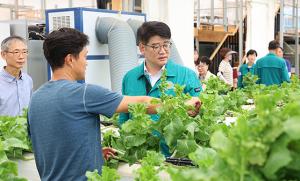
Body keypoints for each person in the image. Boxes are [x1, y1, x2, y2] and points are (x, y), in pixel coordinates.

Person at [27, 27, 200, 180]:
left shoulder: (36, 98)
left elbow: (56, 141)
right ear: (70, 60)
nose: (86, 62)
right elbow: (142, 103)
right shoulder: (85, 93)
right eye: (84, 56)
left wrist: (94, 154)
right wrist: (183, 104)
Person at [119, 21, 202, 156]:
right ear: (142, 47)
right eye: (156, 46)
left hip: (175, 157)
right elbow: (124, 118)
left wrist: (195, 111)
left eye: (166, 45)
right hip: (140, 157)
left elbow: (200, 113)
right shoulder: (130, 78)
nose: (163, 51)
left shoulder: (187, 75)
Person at [0, 36, 33, 116]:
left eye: (24, 52)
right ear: (3, 55)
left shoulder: (28, 80)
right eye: (16, 52)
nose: (21, 57)